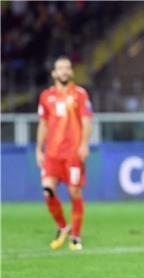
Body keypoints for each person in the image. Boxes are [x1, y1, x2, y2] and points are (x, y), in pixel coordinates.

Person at [36, 56, 93, 251]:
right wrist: (38, 149)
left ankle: (75, 236)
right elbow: (43, 124)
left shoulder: (79, 94)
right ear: (53, 73)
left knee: (74, 192)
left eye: (68, 68)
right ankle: (63, 227)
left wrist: (84, 145)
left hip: (73, 154)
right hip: (52, 154)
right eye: (60, 68)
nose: (64, 71)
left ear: (72, 72)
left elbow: (87, 121)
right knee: (47, 191)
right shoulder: (46, 96)